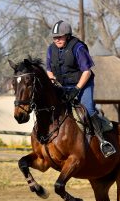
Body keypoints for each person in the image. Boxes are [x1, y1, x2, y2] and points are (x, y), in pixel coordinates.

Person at [46, 20, 116, 157]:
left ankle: (103, 141)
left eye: (60, 37)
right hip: (62, 86)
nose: (57, 40)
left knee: (88, 110)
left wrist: (77, 89)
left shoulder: (78, 48)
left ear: (67, 35)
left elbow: (87, 71)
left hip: (83, 84)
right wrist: (54, 83)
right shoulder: (51, 49)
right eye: (55, 37)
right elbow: (49, 70)